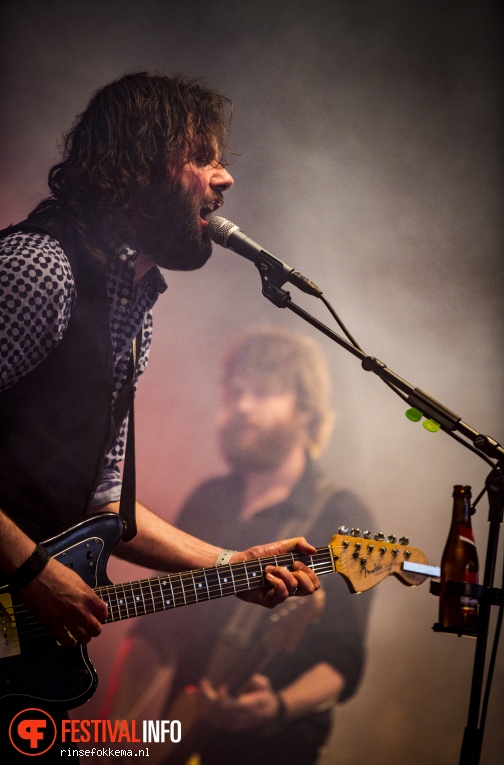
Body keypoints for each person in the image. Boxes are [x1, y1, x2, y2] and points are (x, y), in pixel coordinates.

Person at [0, 73, 320, 762]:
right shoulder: (39, 270)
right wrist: (29, 569)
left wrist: (234, 563)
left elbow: (104, 505)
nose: (226, 177)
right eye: (203, 155)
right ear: (139, 165)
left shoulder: (132, 314)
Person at [105, 327, 374, 765]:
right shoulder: (208, 498)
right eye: (234, 393)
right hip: (183, 742)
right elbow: (157, 632)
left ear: (306, 409)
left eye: (263, 393)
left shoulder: (342, 515)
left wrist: (280, 705)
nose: (242, 406)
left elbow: (343, 658)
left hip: (274, 750)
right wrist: (107, 742)